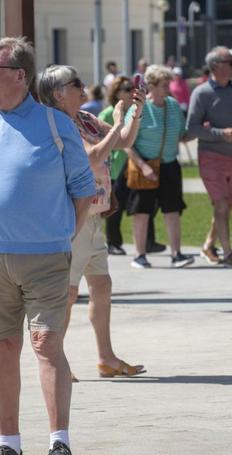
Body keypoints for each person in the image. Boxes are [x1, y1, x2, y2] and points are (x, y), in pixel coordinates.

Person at [0, 37, 95, 455]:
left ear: (20, 75)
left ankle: (59, 441)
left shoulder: (55, 126)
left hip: (45, 259)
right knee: (3, 349)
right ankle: (9, 450)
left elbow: (84, 193)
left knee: (46, 345)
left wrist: (59, 237)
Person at [37, 64, 146, 380]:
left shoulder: (83, 119)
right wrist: (116, 124)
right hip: (74, 217)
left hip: (95, 215)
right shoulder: (58, 125)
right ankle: (57, 360)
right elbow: (92, 157)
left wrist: (134, 114)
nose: (84, 87)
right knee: (68, 294)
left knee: (102, 285)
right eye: (76, 83)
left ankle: (106, 358)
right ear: (58, 93)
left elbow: (123, 142)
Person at [187, 46, 232, 268]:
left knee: (228, 205)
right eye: (229, 62)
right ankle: (228, 253)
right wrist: (219, 134)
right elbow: (192, 128)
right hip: (210, 156)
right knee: (221, 204)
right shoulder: (201, 93)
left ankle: (208, 245)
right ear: (215, 66)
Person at [126, 64, 195, 269]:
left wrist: (201, 129)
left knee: (172, 210)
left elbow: (182, 135)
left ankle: (177, 254)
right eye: (165, 85)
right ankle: (139, 255)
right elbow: (126, 143)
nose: (169, 88)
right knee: (142, 211)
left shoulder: (173, 106)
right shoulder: (139, 107)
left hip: (169, 165)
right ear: (152, 86)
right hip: (144, 166)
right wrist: (143, 167)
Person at [100, 75, 153, 255]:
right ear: (116, 93)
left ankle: (149, 241)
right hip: (115, 167)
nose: (132, 92)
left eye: (133, 88)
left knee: (138, 204)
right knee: (115, 206)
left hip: (130, 166)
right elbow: (109, 141)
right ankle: (113, 242)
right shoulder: (107, 113)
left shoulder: (133, 111)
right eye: (126, 89)